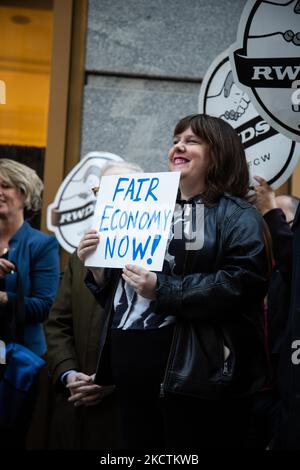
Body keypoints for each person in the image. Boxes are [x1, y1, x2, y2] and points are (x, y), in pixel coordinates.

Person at [78, 114, 270, 450]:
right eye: (176, 139)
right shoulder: (150, 207)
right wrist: (98, 270)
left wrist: (162, 288)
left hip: (194, 379)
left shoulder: (238, 215)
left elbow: (242, 283)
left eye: (192, 140)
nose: (178, 145)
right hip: (132, 373)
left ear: (219, 153)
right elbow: (129, 298)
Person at [45, 160, 142, 450]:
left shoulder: (159, 257)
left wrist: (113, 382)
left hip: (124, 413)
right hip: (74, 405)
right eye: (103, 189)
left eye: (122, 189)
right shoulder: (81, 255)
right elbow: (57, 323)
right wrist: (69, 374)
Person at [0, 158, 60, 449]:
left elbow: (43, 307)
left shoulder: (41, 244)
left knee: (11, 435)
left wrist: (3, 297)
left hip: (17, 358)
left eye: (5, 185)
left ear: (24, 194)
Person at [254, 175, 300, 449]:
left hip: (284, 388)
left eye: (282, 219)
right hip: (252, 390)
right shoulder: (254, 261)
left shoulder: (290, 271)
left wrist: (271, 208)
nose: (272, 226)